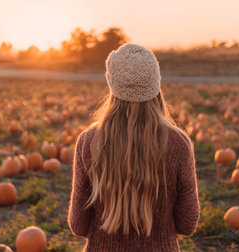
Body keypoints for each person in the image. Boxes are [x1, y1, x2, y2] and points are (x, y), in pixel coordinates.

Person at [68, 43, 200, 251]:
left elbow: (78, 225)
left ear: (112, 86)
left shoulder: (88, 141)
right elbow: (187, 224)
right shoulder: (179, 143)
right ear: (155, 86)